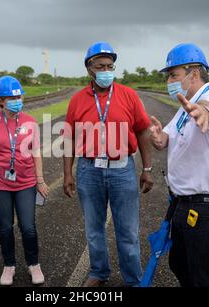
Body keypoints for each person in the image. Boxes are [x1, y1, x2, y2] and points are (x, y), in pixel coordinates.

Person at [150, 43, 209, 287]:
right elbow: (165, 140)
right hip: (184, 203)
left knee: (204, 278)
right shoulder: (183, 109)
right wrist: (158, 137)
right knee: (181, 266)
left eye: (173, 75)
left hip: (208, 207)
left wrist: (203, 112)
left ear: (194, 74)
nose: (168, 81)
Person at [63, 42, 154, 287]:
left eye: (110, 66)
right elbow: (69, 139)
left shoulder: (128, 95)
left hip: (122, 169)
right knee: (94, 229)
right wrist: (67, 174)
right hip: (88, 170)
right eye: (101, 66)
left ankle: (133, 279)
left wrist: (146, 169)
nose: (106, 70)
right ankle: (99, 272)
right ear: (89, 69)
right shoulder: (77, 100)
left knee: (127, 232)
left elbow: (143, 131)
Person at [0, 76, 49, 286]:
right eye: (11, 97)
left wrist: (39, 180)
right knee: (5, 227)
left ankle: (34, 264)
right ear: (1, 100)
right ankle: (9, 265)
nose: (16, 99)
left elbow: (36, 153)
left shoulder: (30, 122)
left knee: (28, 227)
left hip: (26, 183)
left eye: (18, 96)